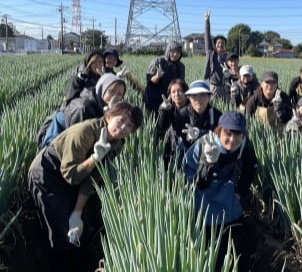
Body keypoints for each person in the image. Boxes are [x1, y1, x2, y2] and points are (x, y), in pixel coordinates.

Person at [28, 102, 143, 272]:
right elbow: (71, 175)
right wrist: (95, 158)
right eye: (122, 120)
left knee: (79, 231)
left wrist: (77, 212)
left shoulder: (117, 143)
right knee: (60, 232)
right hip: (48, 175)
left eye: (130, 125)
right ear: (109, 116)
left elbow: (92, 179)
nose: (124, 127)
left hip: (74, 176)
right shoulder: (84, 133)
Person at [183, 111, 259, 271]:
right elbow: (197, 180)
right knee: (205, 219)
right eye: (228, 133)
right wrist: (207, 164)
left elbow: (251, 167)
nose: (232, 139)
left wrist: (241, 191)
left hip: (226, 183)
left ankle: (230, 255)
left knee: (231, 219)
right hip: (199, 184)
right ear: (220, 130)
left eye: (237, 134)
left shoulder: (244, 144)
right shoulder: (206, 144)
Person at [38, 73, 126, 149]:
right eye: (111, 92)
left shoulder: (105, 106)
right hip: (54, 140)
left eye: (119, 94)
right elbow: (75, 139)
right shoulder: (83, 108)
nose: (115, 97)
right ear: (102, 89)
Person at [173, 80, 222, 166]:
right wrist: (188, 138)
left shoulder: (217, 115)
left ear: (209, 97)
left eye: (203, 95)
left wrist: (201, 133)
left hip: (212, 157)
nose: (198, 99)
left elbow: (222, 137)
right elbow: (174, 139)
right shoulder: (181, 116)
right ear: (189, 98)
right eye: (194, 96)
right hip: (187, 157)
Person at [143, 41, 185, 115]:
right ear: (168, 51)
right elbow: (150, 81)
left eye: (178, 52)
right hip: (153, 97)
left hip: (169, 97)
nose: (175, 54)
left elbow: (180, 83)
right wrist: (157, 76)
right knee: (153, 118)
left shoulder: (180, 66)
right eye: (173, 51)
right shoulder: (158, 61)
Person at [155, 79, 190, 167]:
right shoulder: (167, 105)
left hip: (189, 143)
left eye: (180, 91)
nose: (177, 94)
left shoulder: (192, 107)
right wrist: (164, 111)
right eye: (173, 92)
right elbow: (161, 127)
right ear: (170, 95)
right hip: (172, 142)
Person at [203, 9, 232, 100]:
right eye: (218, 43)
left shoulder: (229, 56)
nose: (220, 44)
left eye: (222, 43)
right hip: (214, 87)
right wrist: (207, 21)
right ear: (215, 44)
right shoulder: (211, 53)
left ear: (225, 44)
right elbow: (207, 37)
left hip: (226, 87)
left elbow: (234, 70)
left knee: (226, 109)